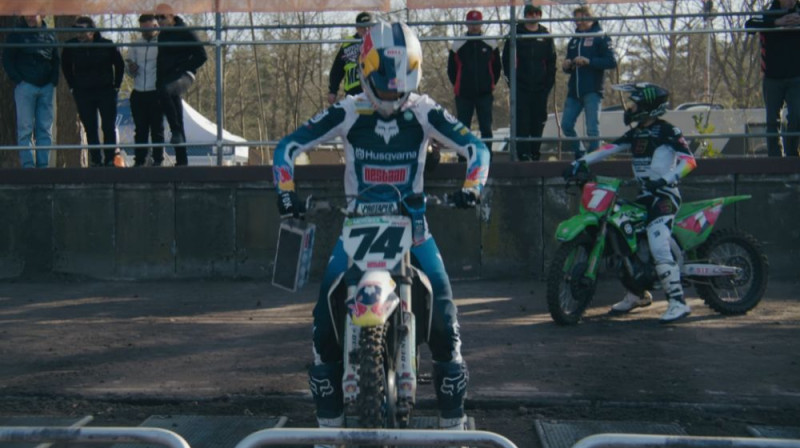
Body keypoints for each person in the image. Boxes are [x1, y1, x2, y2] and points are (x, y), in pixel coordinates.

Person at [272, 21, 490, 446]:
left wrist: (472, 186)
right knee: (323, 321)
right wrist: (285, 191)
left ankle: (453, 424)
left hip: (413, 226)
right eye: (384, 86)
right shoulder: (349, 110)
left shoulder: (423, 109)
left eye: (400, 87)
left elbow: (476, 147)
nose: (392, 97)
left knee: (445, 318)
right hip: (357, 224)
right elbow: (288, 146)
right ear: (366, 70)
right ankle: (329, 427)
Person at [563, 83, 697, 323]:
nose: (630, 108)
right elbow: (609, 148)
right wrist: (580, 162)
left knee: (658, 243)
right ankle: (637, 294)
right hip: (644, 196)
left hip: (664, 196)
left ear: (648, 106)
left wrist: (665, 179)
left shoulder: (668, 131)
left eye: (635, 104)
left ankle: (678, 303)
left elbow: (689, 161)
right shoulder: (636, 133)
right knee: (622, 240)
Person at [61, 16, 124, 167]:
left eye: (82, 31)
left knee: (108, 126)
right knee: (90, 127)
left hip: (105, 91)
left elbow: (119, 64)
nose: (79, 34)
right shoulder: (71, 46)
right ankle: (96, 159)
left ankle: (110, 158)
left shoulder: (107, 45)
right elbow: (65, 66)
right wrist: (72, 86)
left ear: (92, 31)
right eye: (76, 31)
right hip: (83, 92)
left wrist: (116, 86)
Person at [2, 15, 59, 168]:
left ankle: (43, 166)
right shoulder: (16, 34)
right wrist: (19, 80)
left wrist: (53, 81)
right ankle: (28, 165)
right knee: (25, 128)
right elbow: (7, 59)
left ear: (42, 14)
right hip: (25, 86)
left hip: (46, 87)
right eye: (27, 14)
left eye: (34, 13)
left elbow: (56, 59)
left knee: (45, 128)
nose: (30, 17)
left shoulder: (50, 35)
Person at [154, 3, 207, 166]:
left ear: (172, 16)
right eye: (157, 18)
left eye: (162, 17)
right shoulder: (162, 36)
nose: (159, 21)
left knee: (166, 91)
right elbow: (161, 60)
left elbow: (202, 55)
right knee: (176, 114)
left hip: (184, 74)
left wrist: (182, 67)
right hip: (167, 78)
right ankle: (182, 159)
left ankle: (176, 131)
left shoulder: (185, 32)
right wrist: (159, 80)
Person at [561, 6, 617, 159]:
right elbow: (569, 66)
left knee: (592, 128)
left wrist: (589, 61)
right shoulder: (574, 40)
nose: (578, 23)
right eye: (576, 20)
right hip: (574, 91)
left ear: (590, 18)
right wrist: (567, 65)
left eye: (582, 19)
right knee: (566, 125)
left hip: (592, 89)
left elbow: (611, 61)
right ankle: (580, 152)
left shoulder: (601, 37)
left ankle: (595, 157)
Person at [745, 0, 800, 157]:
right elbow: (750, 25)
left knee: (797, 116)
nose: (791, 2)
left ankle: (792, 156)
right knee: (772, 121)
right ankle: (774, 158)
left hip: (796, 77)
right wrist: (777, 22)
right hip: (772, 78)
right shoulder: (768, 14)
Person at [501, 5, 556, 161]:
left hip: (540, 87)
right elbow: (506, 60)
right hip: (521, 87)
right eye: (530, 13)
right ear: (525, 15)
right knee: (522, 121)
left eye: (537, 13)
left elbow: (552, 62)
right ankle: (523, 154)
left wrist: (548, 84)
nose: (533, 16)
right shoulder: (515, 33)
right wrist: (513, 83)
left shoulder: (546, 35)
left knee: (538, 121)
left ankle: (534, 152)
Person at [448, 10, 501, 156]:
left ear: (481, 23)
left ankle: (487, 157)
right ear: (467, 24)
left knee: (486, 128)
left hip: (484, 94)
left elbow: (497, 67)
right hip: (463, 94)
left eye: (477, 23)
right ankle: (462, 158)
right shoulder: (458, 43)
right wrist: (460, 84)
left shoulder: (490, 43)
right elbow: (451, 69)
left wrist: (489, 84)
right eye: (471, 23)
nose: (474, 26)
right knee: (463, 128)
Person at [126, 14, 165, 167]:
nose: (145, 32)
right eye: (142, 29)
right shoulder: (135, 44)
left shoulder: (162, 43)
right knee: (140, 129)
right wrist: (131, 68)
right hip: (138, 91)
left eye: (147, 29)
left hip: (156, 91)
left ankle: (158, 159)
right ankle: (140, 160)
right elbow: (129, 70)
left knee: (157, 129)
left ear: (155, 26)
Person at [326, 11, 372, 105]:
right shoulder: (348, 43)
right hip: (352, 92)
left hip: (373, 91)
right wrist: (333, 91)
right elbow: (337, 69)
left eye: (369, 26)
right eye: (363, 26)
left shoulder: (378, 41)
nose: (366, 29)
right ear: (357, 27)